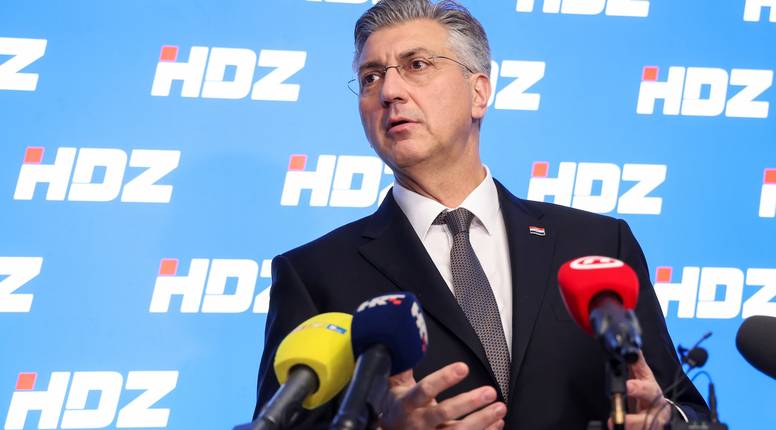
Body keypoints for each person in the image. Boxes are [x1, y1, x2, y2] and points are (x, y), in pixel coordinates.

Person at [254, 1, 709, 428]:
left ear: (479, 92)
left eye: (417, 65)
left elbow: (683, 407)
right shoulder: (315, 274)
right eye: (371, 77)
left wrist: (665, 418)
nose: (389, 91)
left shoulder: (597, 245)